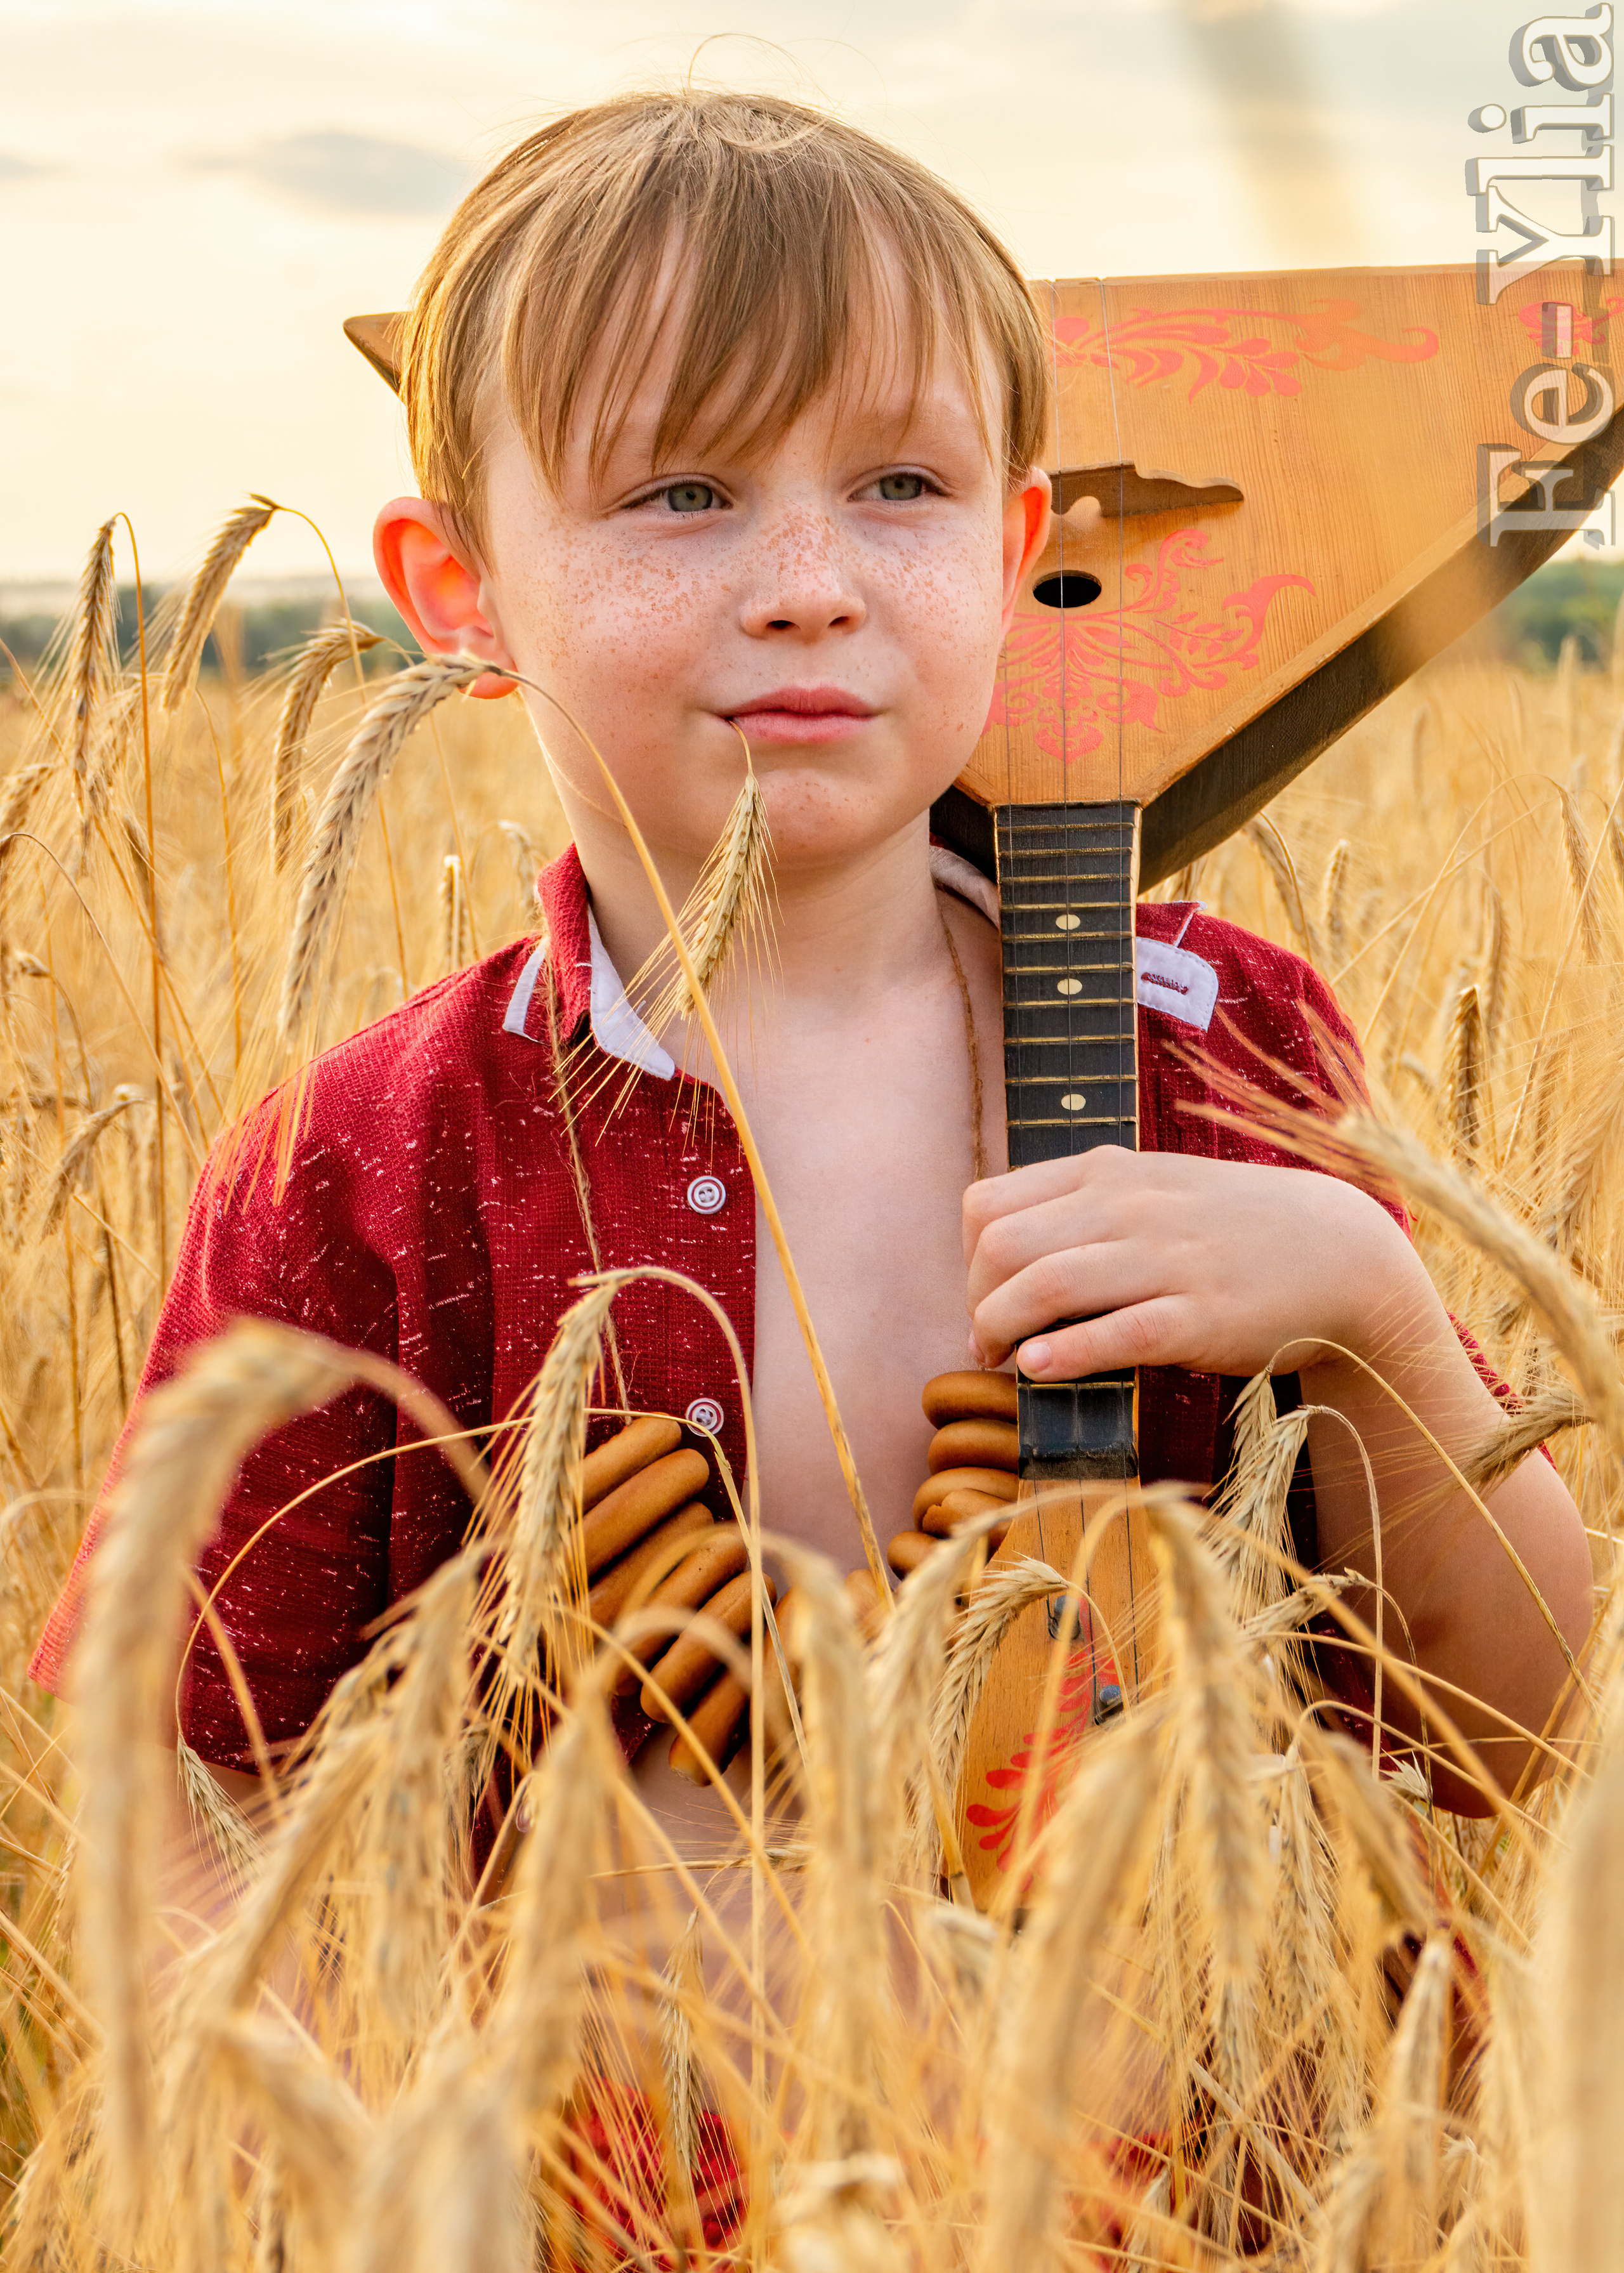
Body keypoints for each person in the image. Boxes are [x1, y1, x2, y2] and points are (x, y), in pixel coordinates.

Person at [32, 91, 1592, 1843]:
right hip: (578, 2037)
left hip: (1179, 2031)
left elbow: (1512, 1735)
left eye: (901, 487)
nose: (808, 585)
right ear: (460, 591)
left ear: (1015, 552)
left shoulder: (1216, 1042)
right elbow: (185, 1795)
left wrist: (1373, 1325)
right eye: (682, 492)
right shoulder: (371, 1153)